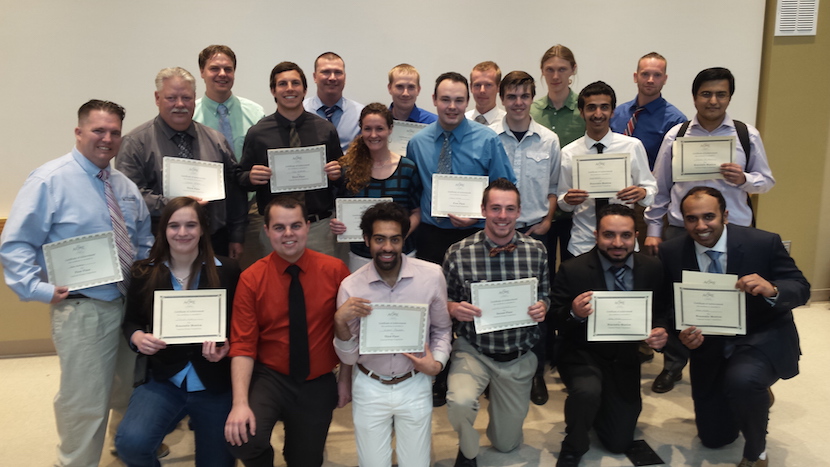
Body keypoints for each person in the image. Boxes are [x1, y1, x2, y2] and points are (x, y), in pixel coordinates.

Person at [0, 99, 153, 467]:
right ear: (79, 132)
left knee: (125, 386)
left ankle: (124, 443)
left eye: (114, 132)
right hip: (82, 306)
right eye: (99, 130)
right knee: (84, 398)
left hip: (125, 304)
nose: (107, 139)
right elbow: (16, 243)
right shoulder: (49, 180)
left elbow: (144, 240)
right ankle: (75, 462)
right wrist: (38, 289)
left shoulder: (124, 187)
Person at [645, 67, 775, 394]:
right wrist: (653, 230)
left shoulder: (747, 135)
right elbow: (660, 188)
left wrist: (744, 179)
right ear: (694, 97)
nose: (713, 100)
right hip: (680, 230)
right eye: (706, 94)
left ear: (729, 97)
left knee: (736, 298)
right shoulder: (677, 135)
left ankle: (739, 363)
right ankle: (674, 364)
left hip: (734, 233)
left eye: (720, 94)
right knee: (679, 301)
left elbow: (767, 181)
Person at [661, 187, 808, 467]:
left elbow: (801, 288)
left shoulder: (763, 242)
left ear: (725, 215)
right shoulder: (671, 251)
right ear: (682, 219)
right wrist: (681, 334)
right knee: (714, 438)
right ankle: (754, 395)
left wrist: (772, 288)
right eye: (692, 218)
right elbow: (668, 306)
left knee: (743, 380)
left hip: (760, 335)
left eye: (709, 217)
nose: (701, 226)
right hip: (709, 344)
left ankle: (756, 453)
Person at [224, 196, 351, 467]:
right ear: (267, 231)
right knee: (244, 437)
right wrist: (239, 403)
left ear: (307, 226)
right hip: (270, 377)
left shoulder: (335, 271)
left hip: (317, 379)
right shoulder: (251, 278)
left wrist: (345, 378)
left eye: (295, 226)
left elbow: (349, 332)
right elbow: (243, 344)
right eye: (279, 228)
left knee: (305, 460)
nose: (289, 234)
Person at [115, 197, 240, 467]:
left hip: (215, 382)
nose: (182, 233)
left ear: (203, 229)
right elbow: (131, 322)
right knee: (131, 445)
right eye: (174, 226)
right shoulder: (143, 272)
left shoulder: (228, 270)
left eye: (190, 225)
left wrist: (228, 347)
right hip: (164, 379)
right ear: (163, 231)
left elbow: (241, 327)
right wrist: (137, 337)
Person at [333, 202, 452, 467]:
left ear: (404, 239)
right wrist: (339, 321)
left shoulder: (432, 277)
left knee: (416, 463)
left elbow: (442, 329)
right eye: (379, 239)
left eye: (395, 239)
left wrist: (437, 363)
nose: (387, 247)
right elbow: (350, 358)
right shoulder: (351, 287)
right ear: (366, 240)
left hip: (414, 382)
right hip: (369, 385)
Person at [550, 204, 668, 466]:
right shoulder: (573, 269)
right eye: (608, 235)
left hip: (625, 357)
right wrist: (574, 312)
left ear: (636, 236)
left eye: (625, 235)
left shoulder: (651, 268)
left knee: (618, 442)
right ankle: (573, 444)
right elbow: (553, 318)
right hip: (582, 353)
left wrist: (661, 331)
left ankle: (602, 408)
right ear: (596, 235)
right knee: (587, 392)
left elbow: (661, 311)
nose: (617, 243)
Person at [444, 178, 549, 467]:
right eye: (495, 208)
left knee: (505, 445)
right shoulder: (457, 252)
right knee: (460, 402)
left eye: (509, 209)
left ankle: (501, 418)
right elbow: (445, 300)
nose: (502, 216)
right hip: (474, 349)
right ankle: (467, 450)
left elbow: (546, 295)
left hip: (517, 354)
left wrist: (543, 307)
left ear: (519, 212)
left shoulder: (536, 250)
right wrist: (453, 308)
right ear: (483, 210)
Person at [115, 67, 248, 259]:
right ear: (157, 98)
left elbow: (234, 191)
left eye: (186, 98)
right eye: (171, 98)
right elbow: (129, 198)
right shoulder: (135, 143)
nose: (180, 104)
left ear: (194, 98)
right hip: (159, 245)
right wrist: (176, 204)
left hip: (214, 243)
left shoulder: (216, 140)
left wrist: (237, 235)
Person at [490, 70, 561, 405]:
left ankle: (535, 374)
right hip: (497, 231)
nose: (518, 103)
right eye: (511, 96)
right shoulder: (487, 136)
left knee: (536, 305)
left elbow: (553, 189)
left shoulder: (548, 139)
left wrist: (548, 220)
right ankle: (493, 371)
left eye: (524, 96)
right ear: (502, 99)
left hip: (536, 232)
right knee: (496, 302)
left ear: (534, 98)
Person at [406, 71, 516, 266]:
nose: (452, 107)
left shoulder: (487, 140)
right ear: (434, 99)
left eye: (459, 100)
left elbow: (506, 187)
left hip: (476, 235)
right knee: (432, 294)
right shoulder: (417, 143)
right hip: (430, 235)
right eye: (445, 100)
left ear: (467, 102)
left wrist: (476, 216)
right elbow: (413, 191)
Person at [237, 61, 345, 259]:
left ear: (304, 90)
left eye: (295, 83)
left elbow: (343, 174)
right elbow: (240, 177)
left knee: (323, 287)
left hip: (318, 228)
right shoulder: (257, 133)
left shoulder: (325, 129)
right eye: (282, 84)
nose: (289, 89)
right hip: (276, 230)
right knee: (277, 288)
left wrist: (338, 173)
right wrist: (250, 177)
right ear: (273, 90)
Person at [557, 81, 657, 258]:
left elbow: (650, 189)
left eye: (604, 107)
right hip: (583, 243)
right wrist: (568, 199)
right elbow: (562, 201)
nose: (598, 114)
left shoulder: (632, 146)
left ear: (612, 112)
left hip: (623, 244)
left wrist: (641, 193)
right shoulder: (568, 153)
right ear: (582, 112)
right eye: (591, 108)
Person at [193, 44, 268, 269]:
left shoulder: (255, 112)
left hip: (251, 207)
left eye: (228, 69)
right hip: (206, 209)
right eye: (215, 68)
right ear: (202, 72)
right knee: (208, 272)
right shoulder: (190, 116)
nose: (222, 74)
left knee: (252, 271)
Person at [329, 103, 422, 271]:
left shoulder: (408, 169)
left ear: (390, 129)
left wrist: (398, 236)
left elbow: (416, 212)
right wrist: (338, 223)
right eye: (367, 129)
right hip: (361, 257)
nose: (373, 135)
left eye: (379, 128)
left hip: (402, 255)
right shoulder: (348, 170)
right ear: (361, 130)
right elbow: (338, 209)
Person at [529, 44, 585, 287]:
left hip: (579, 208)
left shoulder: (584, 110)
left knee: (575, 272)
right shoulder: (532, 110)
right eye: (549, 69)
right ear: (541, 71)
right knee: (544, 273)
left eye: (562, 69)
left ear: (573, 70)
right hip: (542, 208)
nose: (555, 76)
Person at [609, 52, 687, 170]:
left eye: (657, 75)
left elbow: (676, 166)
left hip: (650, 186)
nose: (650, 80)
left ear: (665, 79)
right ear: (635, 77)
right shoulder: (617, 113)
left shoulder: (676, 121)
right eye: (645, 74)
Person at [304, 51, 365, 152]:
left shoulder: (360, 114)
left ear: (344, 77)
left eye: (338, 72)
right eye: (326, 72)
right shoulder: (301, 111)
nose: (332, 78)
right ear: (315, 77)